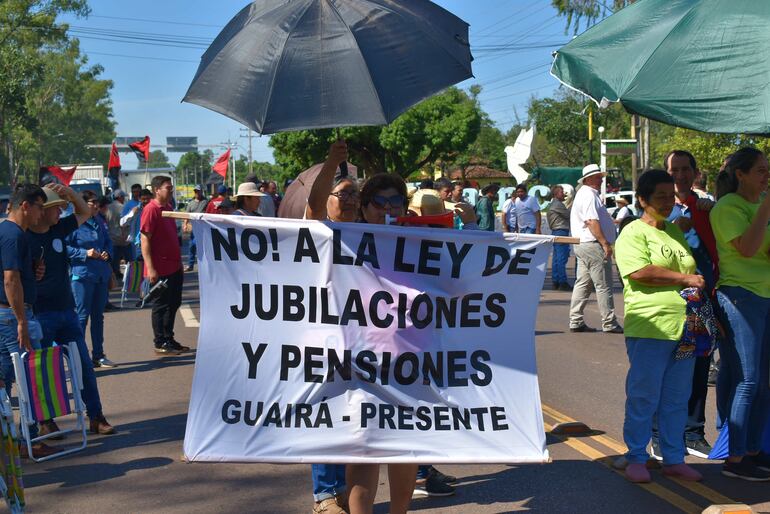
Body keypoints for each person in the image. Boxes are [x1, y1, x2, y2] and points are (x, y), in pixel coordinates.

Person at [615, 169, 705, 484]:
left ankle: (673, 457)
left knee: (677, 397)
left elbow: (690, 270)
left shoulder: (674, 231)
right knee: (644, 395)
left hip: (686, 325)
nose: (667, 202)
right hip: (650, 326)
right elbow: (640, 271)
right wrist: (685, 279)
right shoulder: (632, 232)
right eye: (660, 197)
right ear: (642, 199)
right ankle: (637, 457)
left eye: (671, 195)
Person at [347, 173, 419, 514]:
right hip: (360, 358)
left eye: (395, 202)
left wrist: (467, 224)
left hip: (410, 356)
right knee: (364, 450)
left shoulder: (419, 241)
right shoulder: (345, 239)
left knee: (405, 447)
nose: (387, 209)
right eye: (379, 202)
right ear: (363, 208)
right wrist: (334, 161)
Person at [649, 150, 719, 461]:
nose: (680, 175)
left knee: (699, 365)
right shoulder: (658, 210)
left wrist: (709, 206)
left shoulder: (705, 206)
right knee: (666, 370)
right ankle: (659, 436)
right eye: (674, 169)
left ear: (695, 172)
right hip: (670, 301)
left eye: (686, 169)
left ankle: (693, 432)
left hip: (703, 301)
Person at [29, 184, 115, 435]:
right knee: (43, 370)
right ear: (41, 210)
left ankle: (96, 416)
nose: (61, 211)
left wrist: (69, 192)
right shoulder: (25, 237)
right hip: (40, 315)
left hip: (66, 313)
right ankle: (45, 421)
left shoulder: (60, 228)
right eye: (55, 207)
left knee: (84, 366)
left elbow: (84, 212)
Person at [710, 147, 770, 481]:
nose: (766, 175)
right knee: (748, 380)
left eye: (767, 169)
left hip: (765, 296)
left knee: (764, 382)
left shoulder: (759, 208)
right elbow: (747, 249)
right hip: (740, 298)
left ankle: (753, 451)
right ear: (740, 175)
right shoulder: (728, 208)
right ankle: (735, 459)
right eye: (760, 170)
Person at [0, 183, 59, 458]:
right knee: (26, 376)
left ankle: (19, 439)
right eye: (39, 206)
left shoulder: (8, 232)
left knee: (7, 377)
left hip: (9, 314)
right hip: (13, 316)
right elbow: (10, 279)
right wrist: (22, 319)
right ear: (25, 205)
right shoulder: (14, 235)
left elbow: (15, 277)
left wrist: (30, 275)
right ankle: (27, 440)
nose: (41, 213)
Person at [568, 164, 623, 334]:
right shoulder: (589, 195)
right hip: (592, 244)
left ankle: (575, 320)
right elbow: (592, 221)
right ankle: (609, 322)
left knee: (583, 283)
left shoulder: (585, 194)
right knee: (603, 284)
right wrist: (604, 243)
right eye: (598, 177)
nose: (601, 179)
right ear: (589, 179)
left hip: (584, 244)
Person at [65, 190, 117, 369]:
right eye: (92, 203)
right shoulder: (73, 223)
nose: (96, 206)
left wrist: (107, 253)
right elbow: (63, 248)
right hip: (82, 276)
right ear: (81, 204)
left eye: (97, 203)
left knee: (98, 317)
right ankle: (79, 357)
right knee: (81, 317)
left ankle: (98, 355)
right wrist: (83, 253)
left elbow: (108, 242)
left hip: (100, 275)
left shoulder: (98, 221)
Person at [141, 176, 190, 355]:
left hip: (174, 266)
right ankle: (160, 341)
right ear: (157, 190)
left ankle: (169, 338)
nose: (171, 191)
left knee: (174, 303)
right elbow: (145, 239)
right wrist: (151, 268)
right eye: (168, 188)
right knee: (161, 305)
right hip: (160, 268)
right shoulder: (151, 210)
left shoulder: (168, 208)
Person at [547, 185, 572, 291]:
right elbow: (569, 215)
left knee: (557, 258)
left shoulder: (554, 204)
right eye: (562, 192)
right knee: (562, 258)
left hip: (556, 231)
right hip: (561, 231)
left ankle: (556, 281)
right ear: (556, 194)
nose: (564, 194)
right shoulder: (558, 204)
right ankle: (562, 282)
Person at [120, 188, 153, 262]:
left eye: (148, 199)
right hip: (138, 243)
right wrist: (132, 214)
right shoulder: (136, 209)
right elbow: (122, 223)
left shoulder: (154, 209)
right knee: (139, 266)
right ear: (139, 199)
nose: (146, 201)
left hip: (152, 242)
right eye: (143, 199)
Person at [106, 189, 132, 279]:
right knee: (129, 258)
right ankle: (130, 274)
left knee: (115, 259)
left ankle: (116, 273)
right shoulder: (123, 207)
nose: (124, 198)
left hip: (112, 237)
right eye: (123, 197)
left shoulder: (108, 208)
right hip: (123, 237)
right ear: (120, 197)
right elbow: (125, 223)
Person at [183, 185, 208, 272]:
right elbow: (187, 215)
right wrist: (185, 224)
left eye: (198, 191)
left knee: (204, 247)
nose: (197, 193)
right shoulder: (191, 203)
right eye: (195, 191)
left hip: (204, 229)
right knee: (192, 246)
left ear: (201, 191)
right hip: (194, 229)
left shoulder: (206, 202)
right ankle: (190, 265)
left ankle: (205, 265)